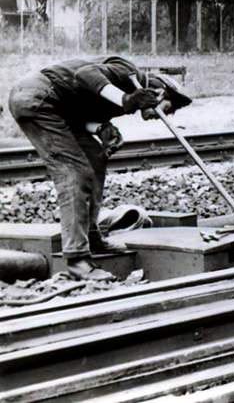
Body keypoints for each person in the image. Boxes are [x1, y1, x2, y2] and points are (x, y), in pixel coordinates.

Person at [8, 56, 191, 280]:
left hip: (54, 106)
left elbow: (74, 110)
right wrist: (126, 99)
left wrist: (100, 128)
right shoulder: (129, 74)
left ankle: (91, 237)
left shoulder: (125, 94)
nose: (162, 116)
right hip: (37, 97)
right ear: (160, 93)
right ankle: (77, 260)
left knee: (95, 156)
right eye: (167, 108)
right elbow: (84, 74)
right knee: (74, 172)